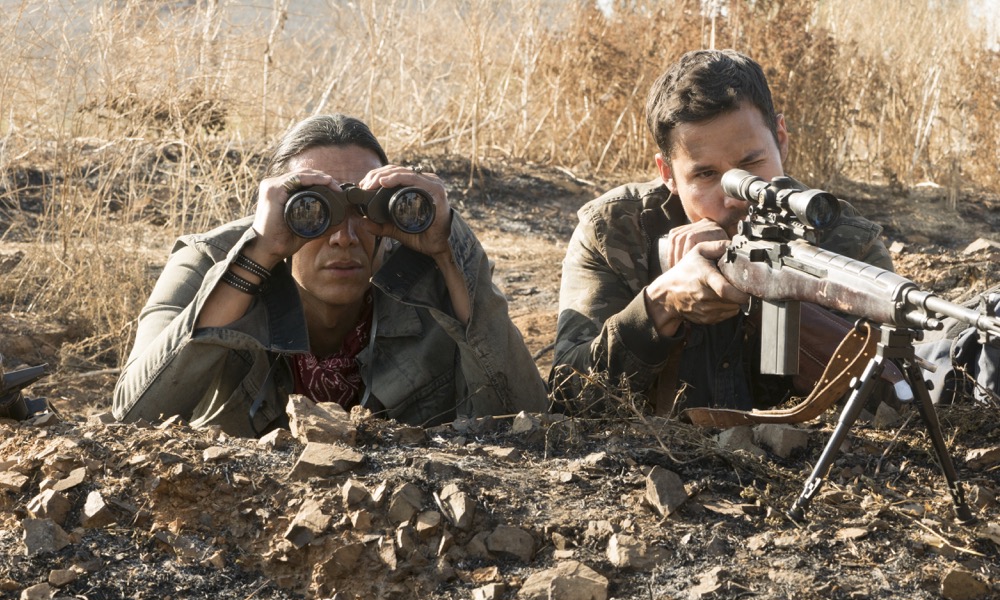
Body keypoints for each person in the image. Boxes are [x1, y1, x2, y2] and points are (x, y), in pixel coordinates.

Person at [114, 114, 548, 437]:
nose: (344, 237)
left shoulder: (431, 267)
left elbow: (527, 419)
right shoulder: (207, 261)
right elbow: (132, 417)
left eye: (362, 209)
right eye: (313, 210)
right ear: (274, 211)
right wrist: (257, 255)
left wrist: (450, 247)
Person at [550, 49, 894, 415]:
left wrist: (786, 305)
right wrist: (660, 306)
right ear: (667, 173)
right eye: (706, 175)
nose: (736, 199)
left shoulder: (845, 239)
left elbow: (898, 400)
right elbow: (566, 398)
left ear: (781, 138)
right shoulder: (614, 231)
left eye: (751, 163)